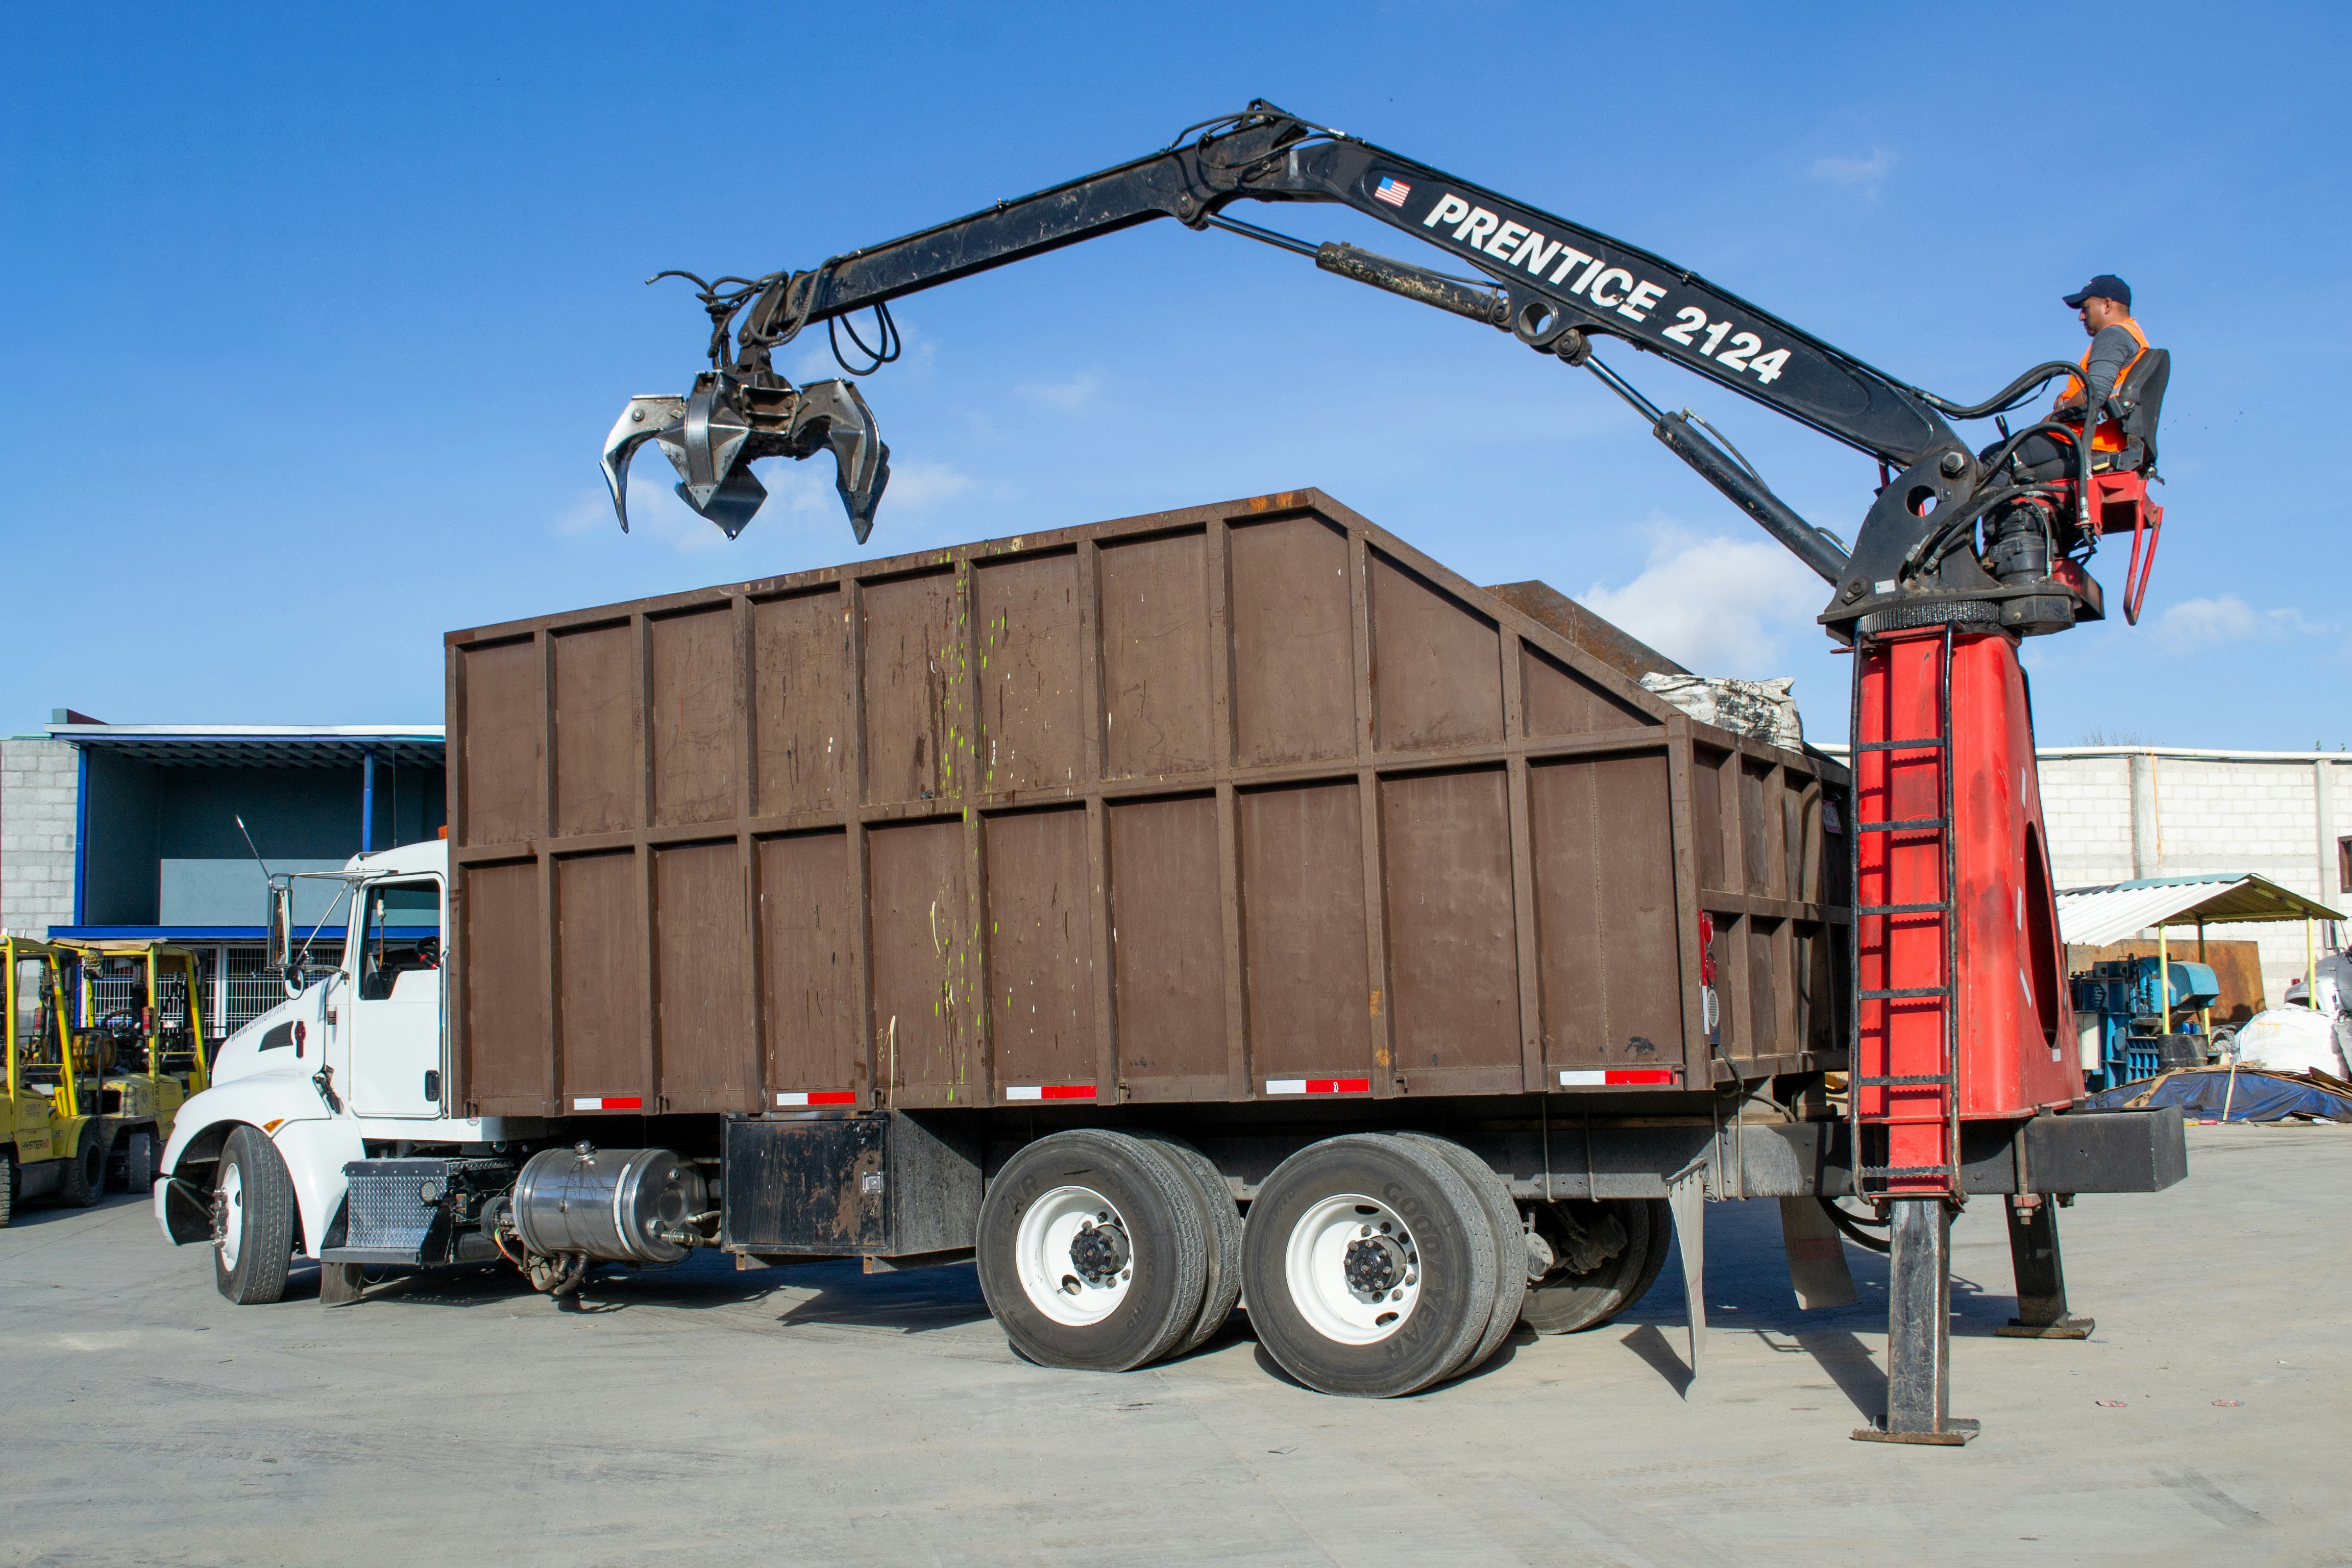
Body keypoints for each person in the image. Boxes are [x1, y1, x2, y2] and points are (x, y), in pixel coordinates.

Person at [1991, 275, 2151, 482]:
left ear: (2107, 305)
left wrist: (2057, 415)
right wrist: (2069, 397)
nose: (2081, 317)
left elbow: (2096, 394)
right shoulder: (2134, 336)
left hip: (2090, 441)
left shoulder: (2112, 335)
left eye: (2086, 308)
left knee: (1996, 460)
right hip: (2103, 439)